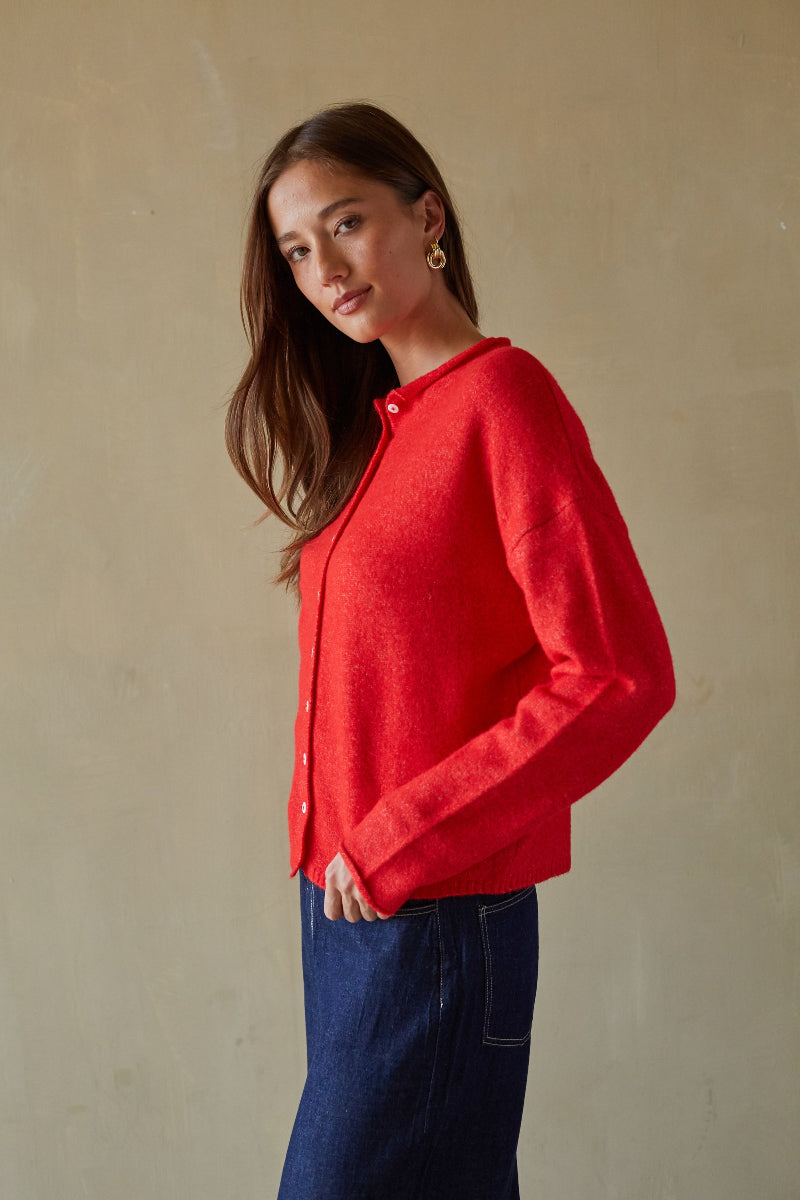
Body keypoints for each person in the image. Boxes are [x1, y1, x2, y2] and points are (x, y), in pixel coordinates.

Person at [226, 101, 675, 1200]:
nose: (323, 267)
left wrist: (396, 842)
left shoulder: (501, 403)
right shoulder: (383, 427)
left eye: (345, 224)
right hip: (348, 916)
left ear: (426, 215)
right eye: (295, 249)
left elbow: (616, 674)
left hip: (428, 916)